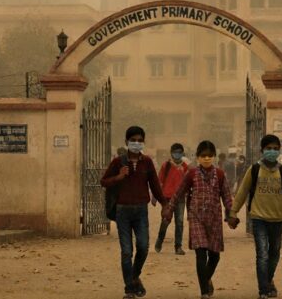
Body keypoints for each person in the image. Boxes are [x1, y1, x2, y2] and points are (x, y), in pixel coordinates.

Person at [229, 134, 282, 299]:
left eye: (275, 149)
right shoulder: (254, 170)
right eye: (269, 149)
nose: (272, 151)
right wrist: (233, 212)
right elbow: (242, 192)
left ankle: (267, 281)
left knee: (274, 253)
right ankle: (263, 290)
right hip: (258, 218)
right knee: (262, 254)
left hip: (277, 219)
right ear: (262, 150)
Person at [162, 140, 235, 299]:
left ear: (214, 157)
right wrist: (169, 209)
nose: (207, 158)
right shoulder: (192, 173)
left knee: (215, 256)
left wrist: (232, 214)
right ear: (198, 157)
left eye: (210, 156)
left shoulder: (221, 174)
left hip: (214, 219)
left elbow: (227, 197)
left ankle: (206, 279)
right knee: (200, 253)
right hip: (196, 218)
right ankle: (204, 292)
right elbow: (179, 192)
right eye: (203, 156)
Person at [101, 126, 166, 299]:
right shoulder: (118, 162)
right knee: (127, 251)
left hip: (141, 211)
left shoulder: (147, 162)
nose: (136, 143)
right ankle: (129, 289)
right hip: (123, 211)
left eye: (139, 140)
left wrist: (165, 204)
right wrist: (118, 177)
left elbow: (155, 185)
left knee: (143, 247)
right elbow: (104, 181)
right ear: (126, 142)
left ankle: (134, 276)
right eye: (133, 140)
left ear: (143, 142)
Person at [155, 142, 190, 255]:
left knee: (179, 222)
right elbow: (159, 181)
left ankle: (178, 247)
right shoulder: (166, 166)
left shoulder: (185, 167)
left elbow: (188, 183)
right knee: (165, 220)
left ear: (182, 153)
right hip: (167, 198)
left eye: (179, 152)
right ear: (171, 153)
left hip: (180, 199)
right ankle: (159, 241)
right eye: (175, 152)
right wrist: (155, 197)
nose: (177, 154)